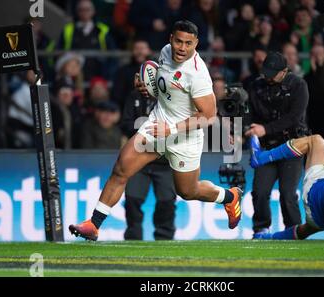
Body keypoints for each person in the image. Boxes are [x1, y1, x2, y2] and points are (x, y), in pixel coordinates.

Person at [69, 20, 243, 241]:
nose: (182, 48)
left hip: (184, 137)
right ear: (171, 38)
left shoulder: (197, 75)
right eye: (179, 41)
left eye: (188, 44)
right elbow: (164, 87)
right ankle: (93, 225)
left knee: (188, 192)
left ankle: (230, 196)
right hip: (157, 124)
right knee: (121, 168)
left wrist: (171, 129)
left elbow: (208, 116)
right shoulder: (165, 52)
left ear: (196, 44)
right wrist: (145, 85)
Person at [244, 51, 309, 238]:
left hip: (292, 146)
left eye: (273, 73)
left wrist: (266, 128)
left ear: (285, 71)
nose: (268, 76)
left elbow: (294, 117)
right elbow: (249, 114)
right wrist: (246, 129)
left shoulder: (298, 85)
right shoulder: (256, 86)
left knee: (288, 193)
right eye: (266, 72)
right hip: (267, 148)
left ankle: (294, 230)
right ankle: (261, 229)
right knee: (259, 192)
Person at [121, 90, 177, 240]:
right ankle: (133, 236)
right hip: (139, 159)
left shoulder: (173, 97)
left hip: (165, 161)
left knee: (167, 201)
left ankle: (164, 237)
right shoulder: (134, 96)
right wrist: (148, 130)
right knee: (132, 199)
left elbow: (180, 125)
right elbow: (125, 124)